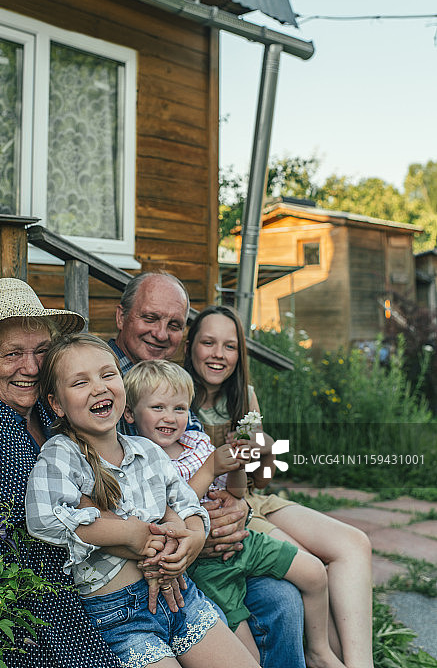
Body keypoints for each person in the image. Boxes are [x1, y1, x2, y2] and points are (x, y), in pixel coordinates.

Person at [25, 333, 261, 668]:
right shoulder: (63, 455)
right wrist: (129, 535)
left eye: (108, 375)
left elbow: (186, 504)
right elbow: (44, 519)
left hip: (181, 598)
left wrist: (191, 538)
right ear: (57, 404)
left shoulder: (147, 451)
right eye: (80, 382)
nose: (99, 387)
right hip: (120, 617)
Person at [109, 271, 306, 668]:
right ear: (121, 317)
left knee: (289, 595)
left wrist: (238, 506)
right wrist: (204, 526)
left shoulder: (179, 385)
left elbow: (230, 472)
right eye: (150, 318)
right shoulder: (108, 378)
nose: (162, 333)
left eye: (174, 324)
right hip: (161, 552)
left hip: (211, 529)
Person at [0, 278, 123, 668]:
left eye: (42, 351)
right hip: (22, 605)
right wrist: (141, 535)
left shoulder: (46, 408)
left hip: (85, 579)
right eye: (12, 354)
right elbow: (49, 511)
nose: (32, 367)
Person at [124, 360, 349, 668]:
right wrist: (211, 467)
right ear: (130, 413)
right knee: (248, 658)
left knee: (313, 572)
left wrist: (237, 467)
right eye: (158, 407)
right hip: (206, 569)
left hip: (241, 542)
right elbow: (171, 511)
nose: (170, 417)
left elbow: (236, 493)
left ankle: (319, 652)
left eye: (179, 408)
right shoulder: (137, 458)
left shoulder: (197, 442)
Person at [184, 305, 375, 668]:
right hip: (222, 506)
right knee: (313, 563)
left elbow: (262, 480)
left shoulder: (244, 396)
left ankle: (359, 663)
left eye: (229, 346)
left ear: (239, 353)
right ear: (191, 345)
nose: (218, 354)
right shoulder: (175, 398)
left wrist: (265, 450)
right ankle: (323, 656)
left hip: (253, 497)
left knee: (354, 543)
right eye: (208, 343)